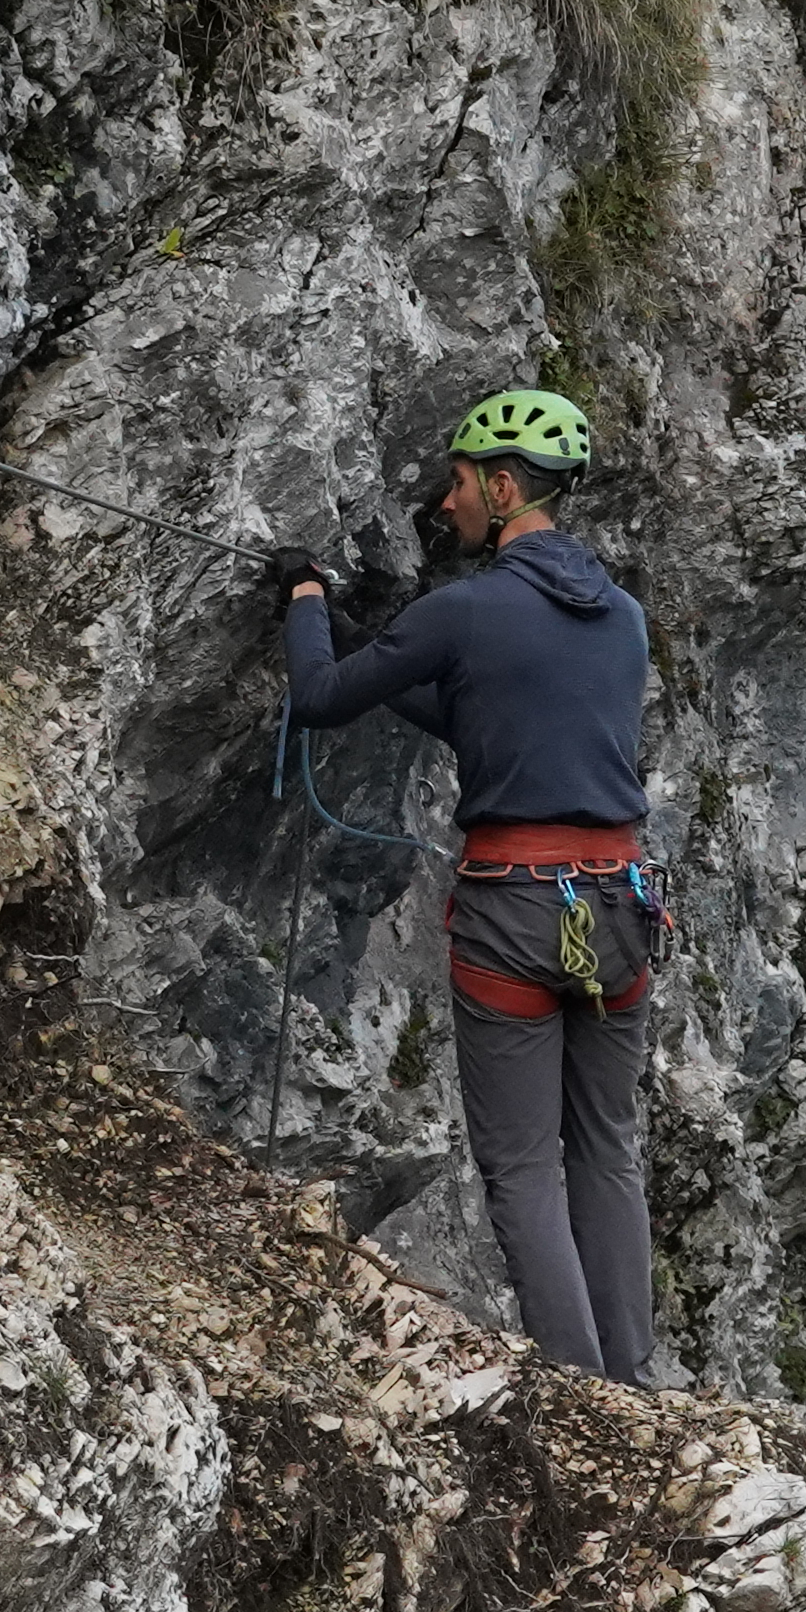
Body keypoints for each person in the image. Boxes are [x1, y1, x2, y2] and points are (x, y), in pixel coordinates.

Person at [277, 389, 663, 1383]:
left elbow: (318, 699)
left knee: (524, 1166)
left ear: (501, 487)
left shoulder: (465, 608)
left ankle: (583, 1399)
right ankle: (634, 1387)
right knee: (607, 1148)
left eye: (457, 483)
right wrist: (371, 640)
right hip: (620, 908)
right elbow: (479, 715)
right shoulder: (623, 619)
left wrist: (307, 603)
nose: (445, 503)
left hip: (515, 909)